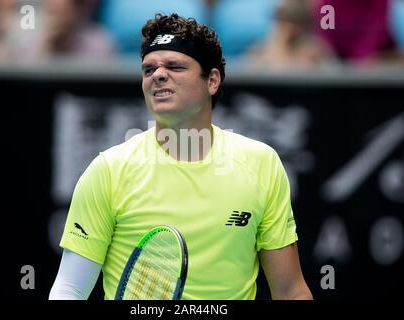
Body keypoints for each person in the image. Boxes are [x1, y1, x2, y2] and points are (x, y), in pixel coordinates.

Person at [49, 13, 313, 300]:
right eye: (149, 70)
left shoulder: (262, 164)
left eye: (175, 66)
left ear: (212, 80)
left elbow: (290, 291)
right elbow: (70, 289)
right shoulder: (108, 170)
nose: (158, 75)